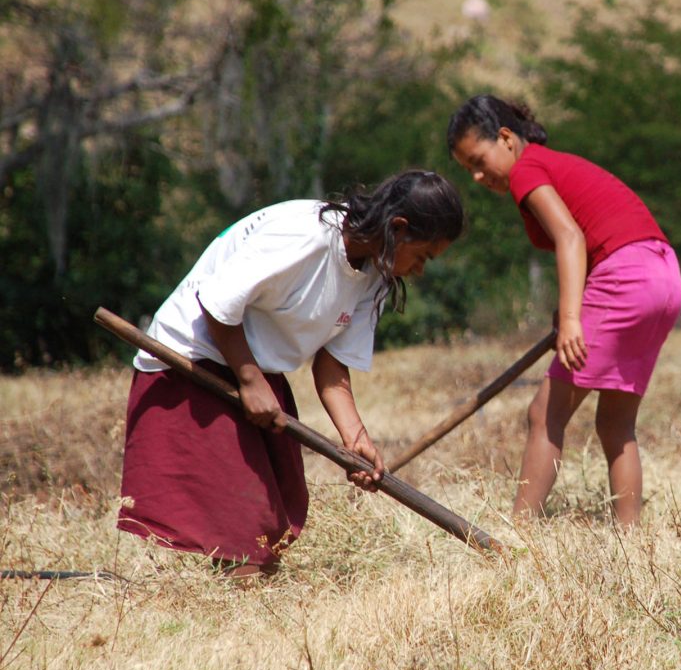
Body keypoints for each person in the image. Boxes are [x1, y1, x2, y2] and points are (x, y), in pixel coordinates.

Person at [118, 170, 464, 577]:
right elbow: (217, 304)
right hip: (193, 364)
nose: (419, 270)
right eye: (422, 256)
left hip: (254, 369)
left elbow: (332, 363)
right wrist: (249, 380)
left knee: (270, 523)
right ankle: (239, 611)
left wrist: (356, 440)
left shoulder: (374, 275)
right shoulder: (305, 235)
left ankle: (243, 587)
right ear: (398, 228)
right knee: (245, 531)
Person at [447, 94, 681, 528]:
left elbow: (570, 238)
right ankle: (632, 542)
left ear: (506, 139)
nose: (478, 176)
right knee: (615, 424)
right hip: (662, 276)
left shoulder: (528, 170)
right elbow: (589, 236)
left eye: (479, 161)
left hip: (625, 276)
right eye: (469, 170)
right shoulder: (550, 164)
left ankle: (518, 536)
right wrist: (568, 312)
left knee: (544, 414)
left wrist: (573, 318)